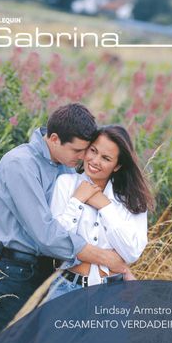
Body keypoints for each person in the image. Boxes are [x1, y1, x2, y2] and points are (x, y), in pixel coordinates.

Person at [0, 104, 127, 343]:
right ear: (55, 138)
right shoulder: (20, 164)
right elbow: (47, 234)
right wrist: (106, 259)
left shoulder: (63, 166)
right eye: (78, 150)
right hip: (17, 273)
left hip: (54, 274)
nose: (83, 157)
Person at [47, 124, 154, 301]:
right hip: (66, 290)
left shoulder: (131, 199)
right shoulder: (65, 184)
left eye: (105, 158)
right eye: (93, 151)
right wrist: (76, 201)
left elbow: (132, 252)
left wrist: (105, 206)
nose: (95, 161)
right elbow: (57, 244)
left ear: (117, 165)